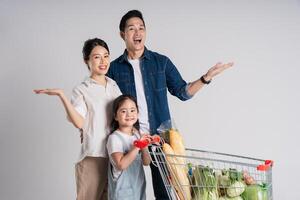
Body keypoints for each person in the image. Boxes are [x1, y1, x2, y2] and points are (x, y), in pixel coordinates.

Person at [107, 10, 234, 199]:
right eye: (132, 29)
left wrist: (206, 78)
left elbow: (183, 92)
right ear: (122, 34)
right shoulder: (114, 68)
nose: (137, 33)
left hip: (161, 140)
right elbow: (106, 103)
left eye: (141, 28)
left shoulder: (161, 62)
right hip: (129, 139)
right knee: (127, 192)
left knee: (166, 194)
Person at [34, 38, 121, 200]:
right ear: (86, 61)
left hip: (115, 155)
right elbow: (79, 122)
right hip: (94, 156)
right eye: (96, 57)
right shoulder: (82, 90)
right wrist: (62, 96)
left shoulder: (114, 86)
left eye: (106, 56)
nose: (103, 61)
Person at [106, 94, 151, 200]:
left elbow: (146, 162)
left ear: (137, 113)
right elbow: (121, 165)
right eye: (123, 111)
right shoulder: (115, 138)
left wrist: (144, 144)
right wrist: (137, 146)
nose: (129, 114)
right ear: (115, 116)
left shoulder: (136, 134)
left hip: (138, 187)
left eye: (132, 110)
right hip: (123, 192)